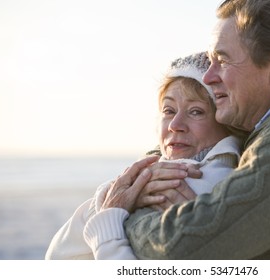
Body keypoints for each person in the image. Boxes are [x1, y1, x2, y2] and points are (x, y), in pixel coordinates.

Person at [98, 0, 270, 259]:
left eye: (222, 60)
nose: (209, 77)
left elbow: (181, 250)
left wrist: (126, 213)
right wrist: (156, 168)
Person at [45, 52, 242, 259]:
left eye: (196, 111)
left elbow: (59, 253)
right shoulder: (155, 171)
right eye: (168, 110)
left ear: (226, 122)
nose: (175, 125)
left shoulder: (199, 180)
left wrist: (110, 207)